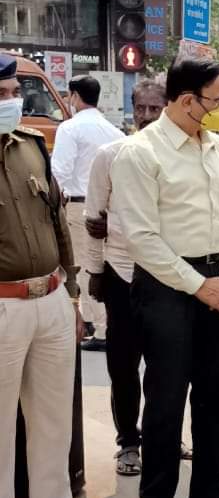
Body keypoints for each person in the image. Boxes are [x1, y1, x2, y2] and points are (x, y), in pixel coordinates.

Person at [111, 57, 219, 498]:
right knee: (166, 401)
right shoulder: (139, 152)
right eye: (216, 99)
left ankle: (210, 492)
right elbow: (142, 238)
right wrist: (199, 285)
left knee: (217, 396)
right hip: (168, 287)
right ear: (188, 100)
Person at [0, 53, 102, 498]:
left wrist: (73, 293)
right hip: (2, 305)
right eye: (2, 94)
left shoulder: (32, 147)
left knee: (53, 421)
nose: (11, 101)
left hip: (50, 299)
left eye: (13, 91)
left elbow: (57, 221)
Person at [84, 80, 167, 478]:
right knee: (123, 365)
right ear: (132, 110)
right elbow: (93, 219)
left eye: (156, 109)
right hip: (121, 275)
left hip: (168, 277)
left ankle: (161, 437)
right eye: (142, 109)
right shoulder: (110, 155)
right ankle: (128, 443)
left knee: (167, 366)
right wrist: (96, 272)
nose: (148, 117)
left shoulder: (176, 157)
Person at [50, 74, 123, 351]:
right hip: (109, 208)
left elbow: (59, 172)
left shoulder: (70, 128)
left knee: (84, 267)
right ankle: (98, 321)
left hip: (80, 205)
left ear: (74, 97)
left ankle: (102, 330)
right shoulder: (114, 131)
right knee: (105, 264)